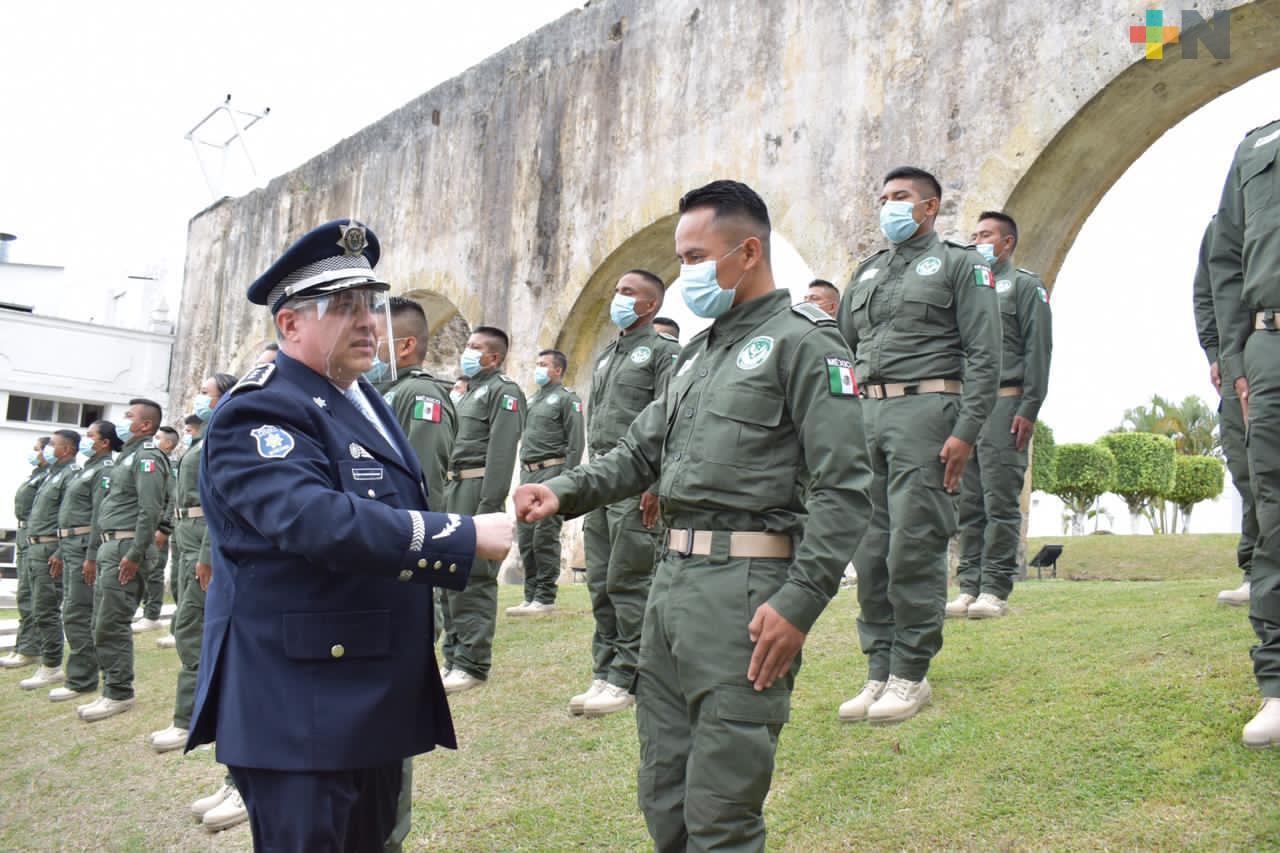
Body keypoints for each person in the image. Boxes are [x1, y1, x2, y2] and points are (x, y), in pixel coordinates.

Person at [517, 179, 870, 850]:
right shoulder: (696, 358)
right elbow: (635, 454)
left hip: (746, 592)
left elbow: (845, 487)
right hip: (670, 586)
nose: (686, 275)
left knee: (721, 812)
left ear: (747, 250)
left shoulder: (805, 344)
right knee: (664, 796)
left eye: (695, 257)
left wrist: (799, 601)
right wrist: (561, 492)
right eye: (680, 259)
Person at [185, 218, 512, 850]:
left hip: (365, 693)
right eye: (343, 307)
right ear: (290, 325)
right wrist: (459, 536)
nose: (368, 321)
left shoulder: (363, 398)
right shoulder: (260, 408)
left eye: (371, 304)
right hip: (300, 703)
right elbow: (317, 521)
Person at [835, 166, 1000, 725]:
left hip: (928, 414)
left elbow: (985, 355)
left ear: (929, 207)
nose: (889, 207)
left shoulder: (961, 264)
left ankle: (911, 672)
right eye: (883, 198)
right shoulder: (866, 273)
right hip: (866, 417)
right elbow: (841, 353)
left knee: (914, 544)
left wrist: (966, 431)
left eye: (900, 198)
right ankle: (878, 668)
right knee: (871, 550)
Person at [367, 296, 456, 853]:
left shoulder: (419, 396)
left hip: (397, 570)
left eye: (372, 337)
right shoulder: (373, 397)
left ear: (403, 346)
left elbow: (421, 498)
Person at [569, 268, 680, 718]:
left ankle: (628, 676)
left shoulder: (663, 352)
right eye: (618, 289)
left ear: (650, 305)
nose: (618, 297)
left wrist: (654, 485)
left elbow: (671, 420)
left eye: (627, 292)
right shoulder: (607, 355)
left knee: (629, 578)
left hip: (635, 482)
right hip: (600, 477)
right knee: (599, 579)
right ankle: (605, 667)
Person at [1208, 116, 1280, 748]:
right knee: (1275, 509)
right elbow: (1225, 263)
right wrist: (1237, 361)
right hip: (1271, 345)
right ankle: (1278, 685)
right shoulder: (1256, 145)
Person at [947, 211, 1052, 620]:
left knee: (1000, 501)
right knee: (968, 502)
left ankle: (994, 588)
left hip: (1007, 403)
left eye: (986, 235)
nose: (978, 242)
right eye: (974, 235)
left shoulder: (1024, 286)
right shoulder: (969, 288)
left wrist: (1029, 406)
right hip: (968, 406)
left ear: (1007, 243)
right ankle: (968, 586)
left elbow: (1038, 351)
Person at [440, 325, 525, 694]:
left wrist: (489, 506)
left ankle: (472, 662)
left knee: (474, 574)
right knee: (447, 574)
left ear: (494, 357)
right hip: (451, 486)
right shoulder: (465, 394)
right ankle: (452, 656)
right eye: (467, 346)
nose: (467, 353)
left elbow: (502, 453)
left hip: (476, 488)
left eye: (475, 348)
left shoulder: (504, 393)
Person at [77, 399, 170, 722]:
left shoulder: (146, 458)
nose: (120, 420)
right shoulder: (125, 459)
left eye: (128, 416)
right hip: (109, 547)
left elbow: (151, 510)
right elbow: (104, 510)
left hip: (125, 548)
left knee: (111, 623)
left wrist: (134, 553)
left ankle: (118, 692)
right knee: (99, 623)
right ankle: (111, 688)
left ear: (145, 425)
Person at [1193, 217, 1257, 607]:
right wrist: (1216, 353)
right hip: (1240, 359)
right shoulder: (1223, 226)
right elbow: (1206, 292)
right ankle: (1257, 573)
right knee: (1248, 467)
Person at [46, 422, 119, 702]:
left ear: (104, 443)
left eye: (91, 436)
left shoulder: (104, 470)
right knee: (73, 610)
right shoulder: (88, 468)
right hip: (71, 546)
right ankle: (81, 674)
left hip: (84, 548)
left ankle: (81, 679)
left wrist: (90, 557)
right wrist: (61, 551)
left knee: (79, 612)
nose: (86, 440)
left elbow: (99, 516)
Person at [508, 349, 584, 616]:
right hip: (528, 474)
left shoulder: (567, 400)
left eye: (543, 364)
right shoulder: (532, 400)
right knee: (527, 537)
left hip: (552, 474)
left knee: (544, 537)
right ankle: (529, 596)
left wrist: (568, 482)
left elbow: (576, 444)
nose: (538, 368)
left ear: (558, 370)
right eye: (536, 363)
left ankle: (545, 597)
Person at [17, 429, 79, 690]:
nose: (45, 450)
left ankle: (51, 664)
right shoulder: (51, 476)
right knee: (33, 604)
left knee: (46, 608)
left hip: (50, 550)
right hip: (34, 547)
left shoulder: (70, 475)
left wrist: (61, 551)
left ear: (66, 449)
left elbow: (71, 518)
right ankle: (38, 654)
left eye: (51, 445)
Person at [1, 436, 51, 670]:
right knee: (24, 594)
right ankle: (22, 646)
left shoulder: (50, 477)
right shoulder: (36, 475)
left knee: (32, 595)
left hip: (37, 537)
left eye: (37, 449)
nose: (34, 453)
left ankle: (31, 649)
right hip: (24, 535)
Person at [135, 426, 182, 634]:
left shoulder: (169, 465)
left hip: (157, 525)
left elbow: (173, 498)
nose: (154, 440)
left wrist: (164, 527)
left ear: (168, 444)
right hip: (143, 524)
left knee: (155, 571)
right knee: (145, 569)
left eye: (158, 438)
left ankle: (151, 614)